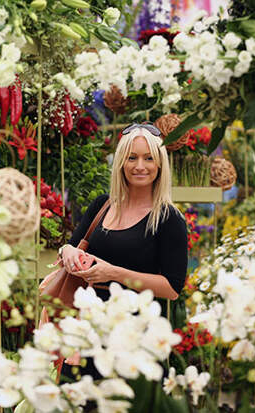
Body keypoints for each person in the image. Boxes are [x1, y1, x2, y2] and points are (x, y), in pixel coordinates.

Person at [57, 122, 188, 382]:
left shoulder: (169, 219)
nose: (140, 166)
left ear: (159, 164)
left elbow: (172, 288)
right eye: (132, 157)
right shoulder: (102, 205)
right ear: (121, 163)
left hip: (135, 338)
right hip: (87, 332)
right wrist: (67, 251)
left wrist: (113, 273)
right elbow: (72, 244)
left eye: (148, 158)